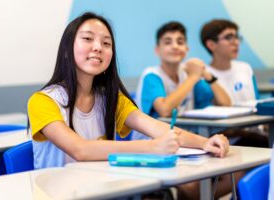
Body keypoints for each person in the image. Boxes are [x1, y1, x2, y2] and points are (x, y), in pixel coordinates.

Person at [27, 12, 229, 170]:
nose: (98, 47)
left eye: (106, 43)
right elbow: (81, 150)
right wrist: (152, 148)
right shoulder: (43, 101)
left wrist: (205, 143)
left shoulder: (111, 98)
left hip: (100, 189)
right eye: (88, 39)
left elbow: (161, 130)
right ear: (65, 50)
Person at [132, 21, 231, 140]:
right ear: (157, 50)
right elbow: (165, 110)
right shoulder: (151, 75)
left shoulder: (187, 74)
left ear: (186, 49)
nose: (175, 46)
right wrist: (193, 77)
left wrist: (207, 75)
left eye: (180, 42)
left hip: (183, 142)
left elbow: (225, 104)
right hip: (149, 145)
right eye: (168, 42)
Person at [200, 19, 268, 147]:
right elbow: (207, 122)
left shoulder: (245, 68)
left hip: (257, 133)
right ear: (211, 45)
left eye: (237, 37)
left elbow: (258, 105)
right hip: (231, 141)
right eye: (228, 38)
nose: (236, 42)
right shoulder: (204, 76)